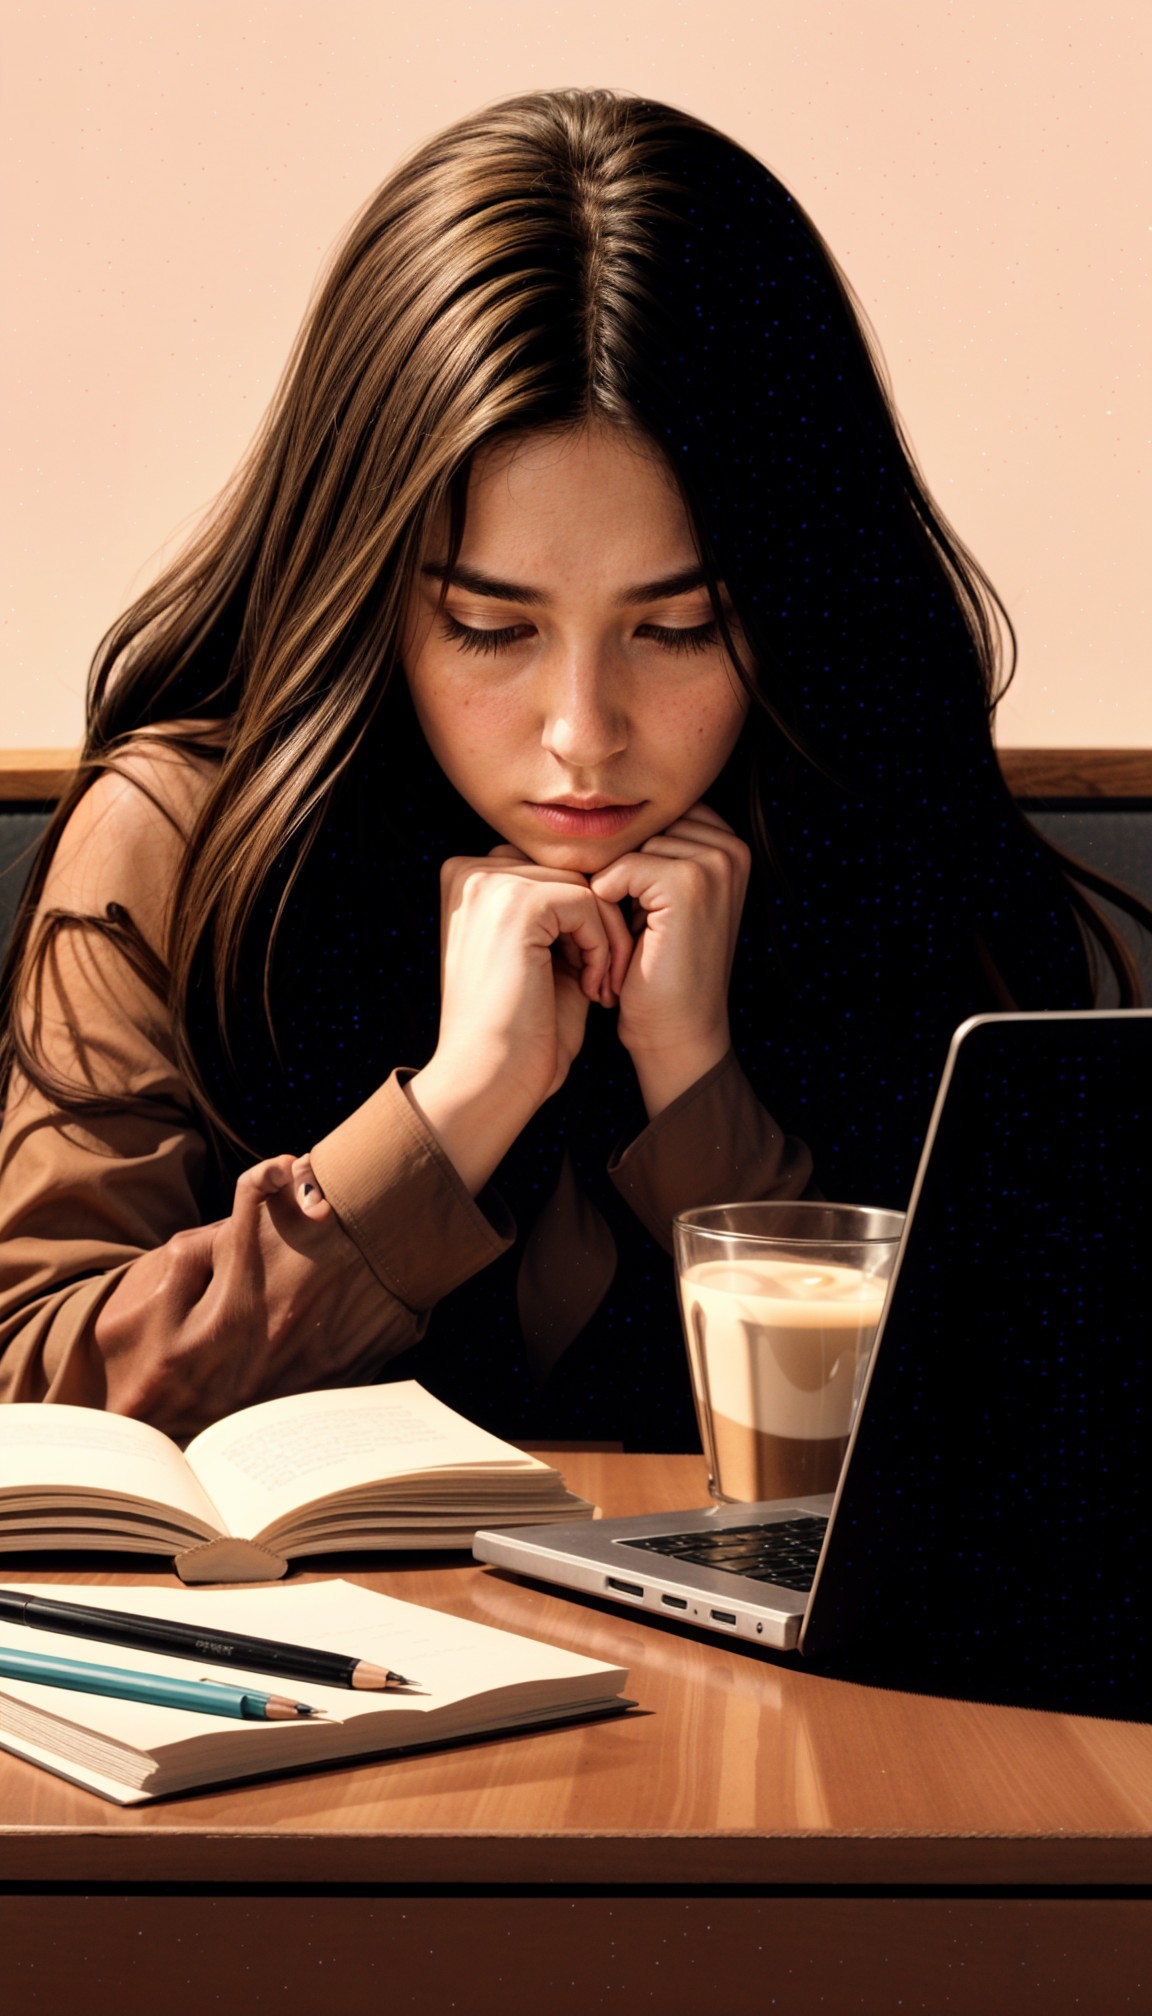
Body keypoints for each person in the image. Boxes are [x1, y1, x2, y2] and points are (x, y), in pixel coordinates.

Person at [0, 89, 1142, 1449]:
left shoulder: (887, 831)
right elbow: (34, 1402)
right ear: (370, 591)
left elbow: (1031, 1446)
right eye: (490, 627)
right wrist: (452, 1111)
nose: (583, 732)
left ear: (789, 600)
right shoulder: (184, 839)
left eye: (679, 628)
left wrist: (703, 1102)